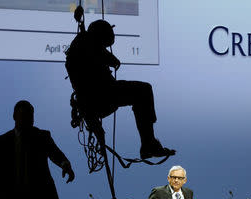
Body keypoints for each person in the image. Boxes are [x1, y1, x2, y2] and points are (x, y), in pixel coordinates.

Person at [65, 19, 175, 159]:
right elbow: (113, 61)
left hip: (92, 102)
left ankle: (149, 143)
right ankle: (149, 143)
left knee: (142, 91)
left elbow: (105, 58)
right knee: (143, 90)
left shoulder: (82, 44)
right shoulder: (88, 42)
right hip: (102, 95)